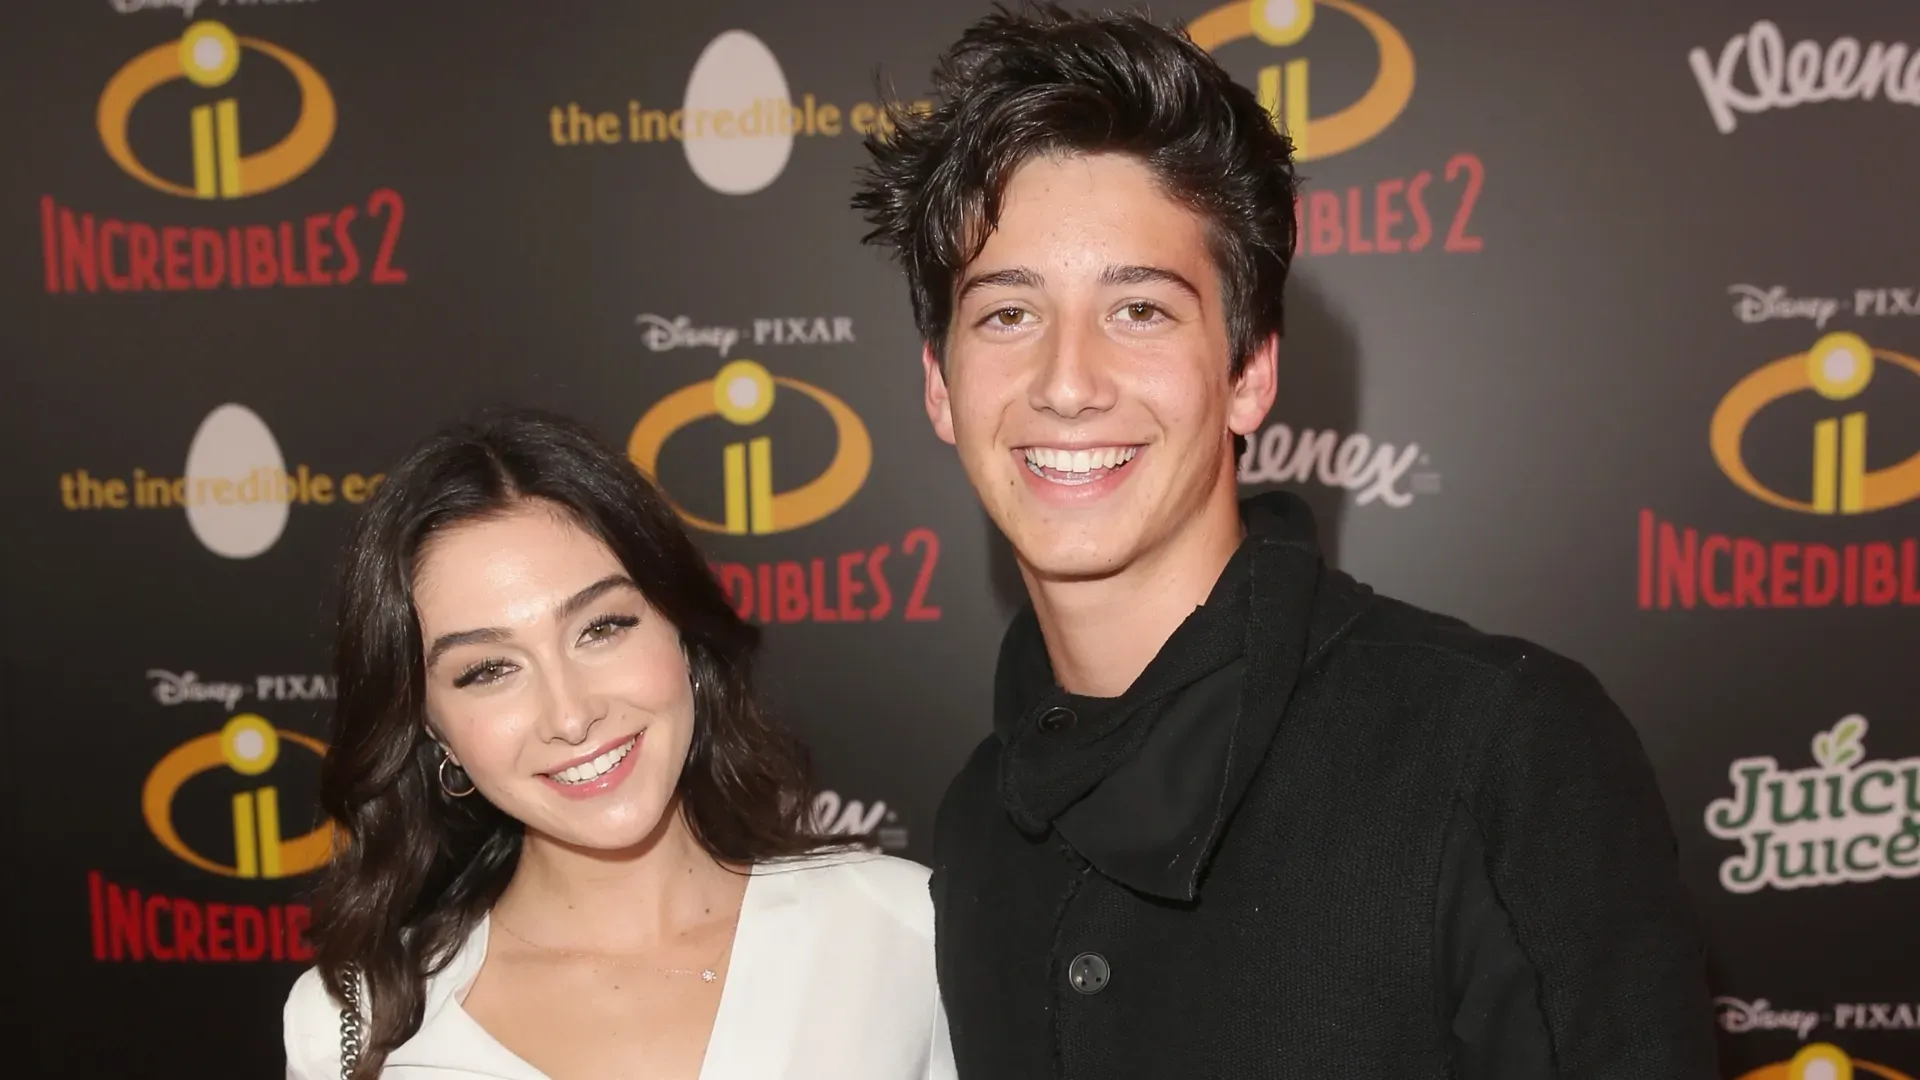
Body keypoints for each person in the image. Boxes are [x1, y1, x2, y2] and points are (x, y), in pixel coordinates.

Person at [851, 4, 1719, 1078]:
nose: (1066, 383)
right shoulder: (980, 819)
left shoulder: (1500, 751)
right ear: (940, 386)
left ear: (1250, 371)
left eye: (1142, 312)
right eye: (1007, 316)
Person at [282, 409, 955, 1079]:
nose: (571, 715)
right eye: (488, 670)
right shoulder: (351, 1022)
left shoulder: (903, 934)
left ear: (680, 628)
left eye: (601, 628)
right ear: (433, 729)